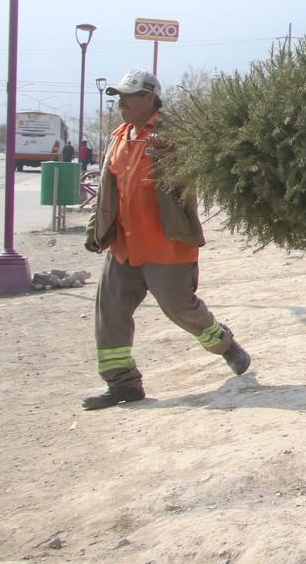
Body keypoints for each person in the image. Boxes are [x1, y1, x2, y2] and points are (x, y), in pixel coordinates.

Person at [81, 68, 252, 410]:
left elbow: (199, 163)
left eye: (129, 96)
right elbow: (107, 192)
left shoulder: (174, 132)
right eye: (119, 97)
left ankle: (225, 344)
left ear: (150, 98)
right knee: (110, 311)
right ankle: (123, 384)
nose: (121, 103)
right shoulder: (119, 136)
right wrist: (95, 229)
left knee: (180, 308)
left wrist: (173, 150)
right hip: (124, 248)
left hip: (167, 245)